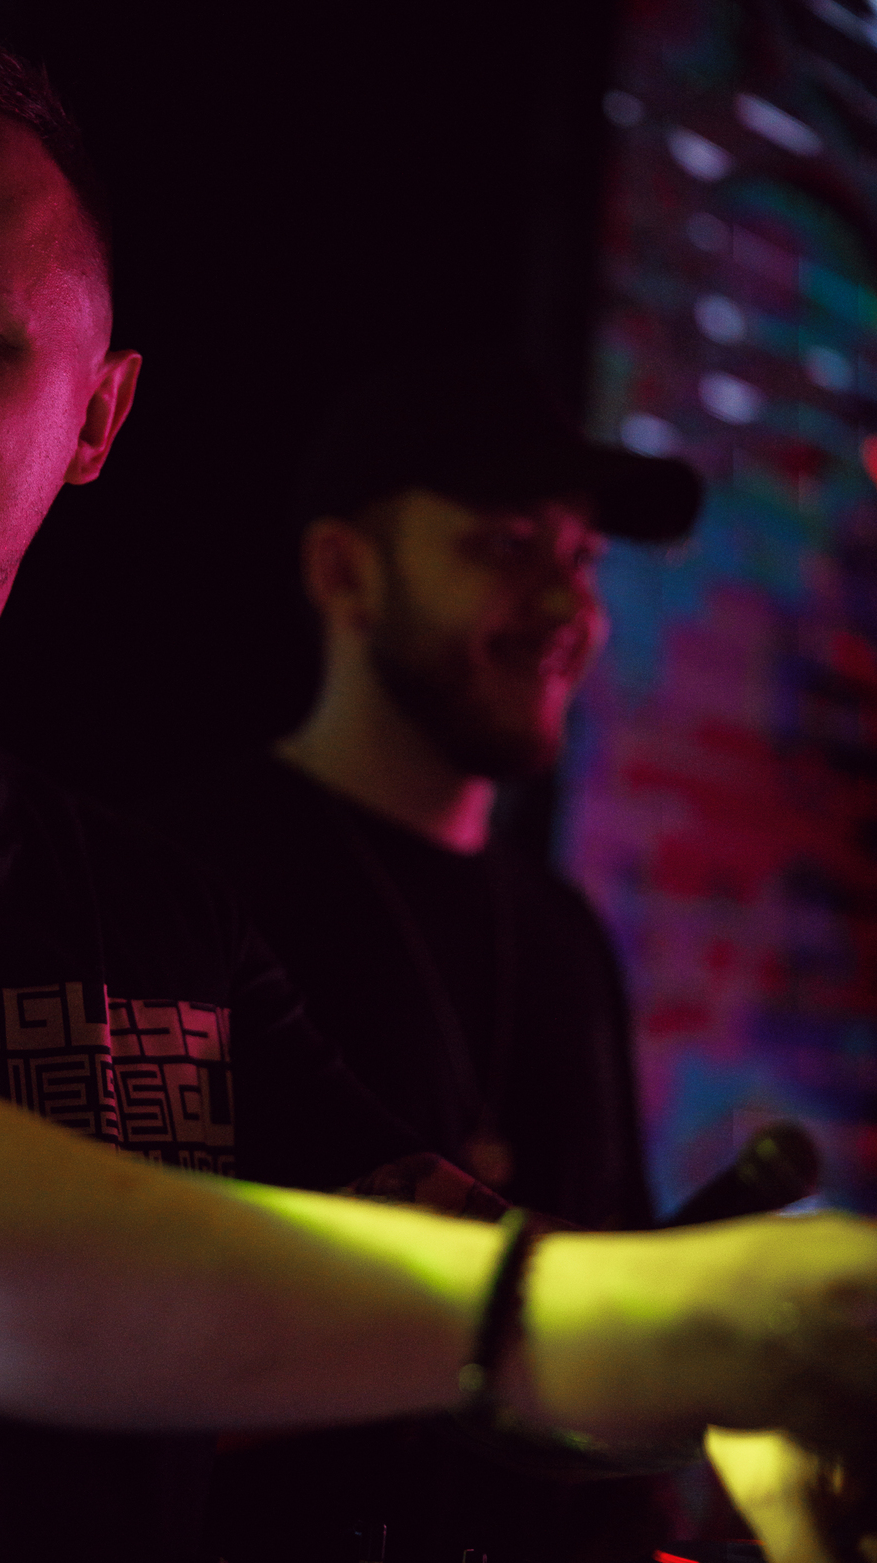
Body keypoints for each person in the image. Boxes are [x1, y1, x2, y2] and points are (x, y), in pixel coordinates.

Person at [0, 21, 873, 1563]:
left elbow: (460, 1316)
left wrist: (733, 1360)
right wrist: (623, 1320)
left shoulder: (161, 916)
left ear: (96, 420)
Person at [171, 365, 703, 1231]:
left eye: (581, 558)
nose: (567, 604)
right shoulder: (182, 884)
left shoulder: (566, 938)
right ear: (344, 573)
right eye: (507, 545)